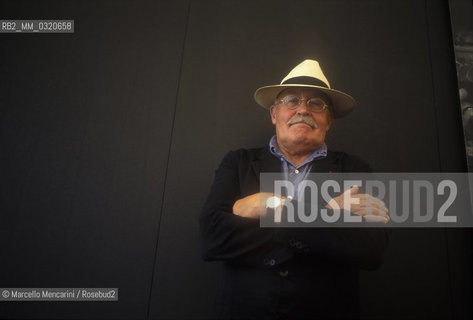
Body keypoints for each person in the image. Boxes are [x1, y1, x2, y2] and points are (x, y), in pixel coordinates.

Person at [199, 59, 390, 320]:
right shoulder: (238, 162)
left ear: (329, 119)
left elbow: (371, 250)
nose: (303, 109)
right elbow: (212, 239)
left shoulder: (354, 168)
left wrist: (272, 207)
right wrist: (330, 213)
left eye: (316, 103)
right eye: (291, 100)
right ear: (274, 113)